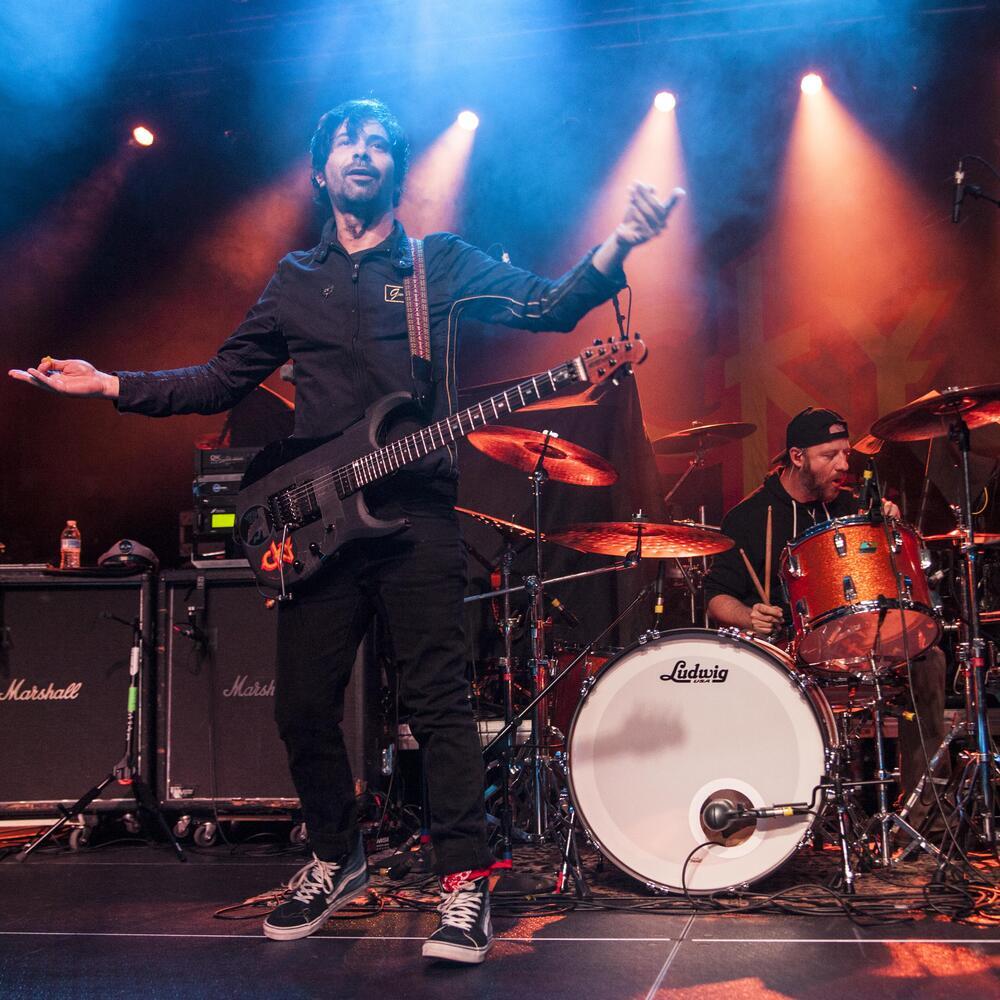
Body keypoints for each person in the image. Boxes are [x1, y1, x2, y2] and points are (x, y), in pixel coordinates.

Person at [9, 98, 679, 962]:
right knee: (300, 709)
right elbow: (219, 381)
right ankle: (335, 853)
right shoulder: (295, 280)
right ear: (321, 170)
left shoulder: (437, 265)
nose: (363, 153)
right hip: (317, 519)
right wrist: (110, 384)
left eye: (378, 144)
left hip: (416, 519)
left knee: (440, 706)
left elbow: (549, 306)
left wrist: (619, 241)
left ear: (397, 170)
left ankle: (465, 883)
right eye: (345, 142)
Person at [705, 407, 949, 840]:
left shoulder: (853, 507)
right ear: (797, 457)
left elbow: (886, 578)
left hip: (859, 641)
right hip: (789, 649)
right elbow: (716, 598)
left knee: (928, 659)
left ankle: (923, 816)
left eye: (846, 453)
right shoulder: (748, 516)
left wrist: (886, 525)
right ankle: (779, 812)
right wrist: (749, 615)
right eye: (829, 455)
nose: (842, 464)